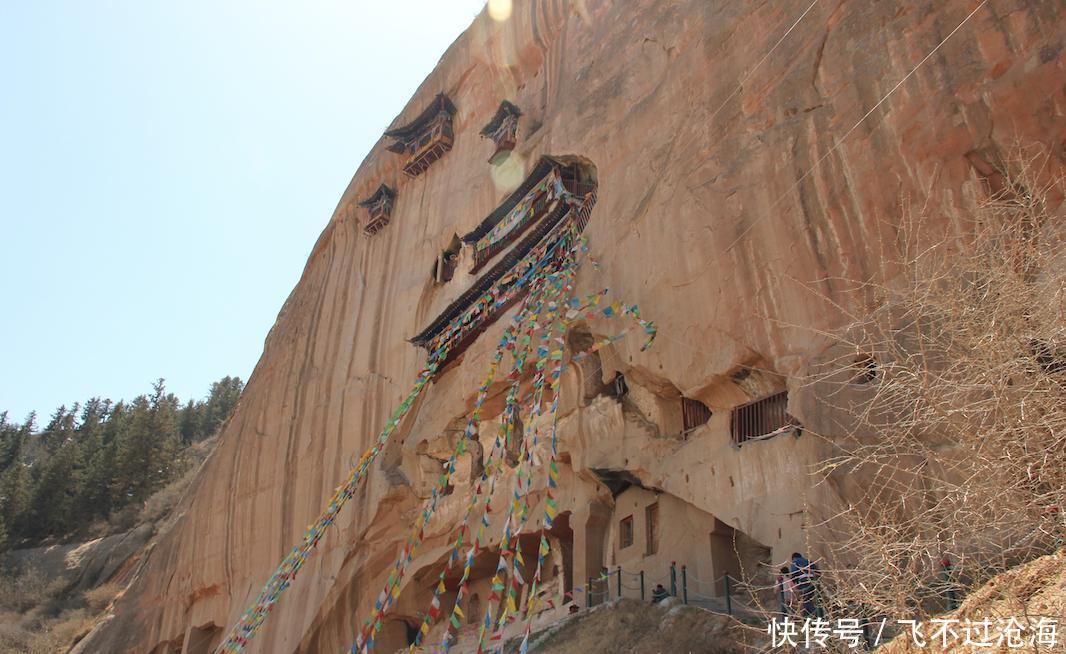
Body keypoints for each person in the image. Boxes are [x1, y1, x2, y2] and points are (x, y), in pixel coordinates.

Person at [790, 552, 819, 617]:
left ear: (793, 558)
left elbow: (794, 573)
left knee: (805, 600)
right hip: (813, 582)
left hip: (804, 582)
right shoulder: (809, 561)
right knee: (810, 599)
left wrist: (794, 583)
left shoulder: (795, 561)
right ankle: (813, 616)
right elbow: (818, 572)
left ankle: (815, 614)